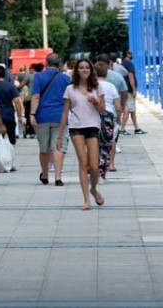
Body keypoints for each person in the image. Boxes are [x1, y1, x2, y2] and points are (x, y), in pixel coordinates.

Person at [57, 58, 106, 210]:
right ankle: (86, 200)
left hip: (92, 126)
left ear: (91, 70)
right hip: (76, 127)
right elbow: (65, 113)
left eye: (87, 67)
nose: (84, 70)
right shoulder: (70, 89)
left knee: (94, 164)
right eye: (81, 68)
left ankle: (93, 189)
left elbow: (103, 110)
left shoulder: (97, 88)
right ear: (76, 71)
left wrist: (96, 103)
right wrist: (60, 136)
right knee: (83, 163)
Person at [30, 54, 72, 186]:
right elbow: (70, 98)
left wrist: (32, 114)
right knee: (58, 147)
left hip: (42, 116)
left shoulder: (38, 76)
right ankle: (58, 177)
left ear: (46, 63)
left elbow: (36, 96)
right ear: (59, 64)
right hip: (60, 116)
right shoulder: (66, 78)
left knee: (44, 147)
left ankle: (45, 174)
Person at [0, 65, 24, 161]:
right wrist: (20, 116)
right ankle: (9, 160)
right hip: (9, 116)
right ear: (5, 75)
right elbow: (17, 101)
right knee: (10, 140)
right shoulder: (11, 87)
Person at [94, 62, 122, 172]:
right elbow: (118, 106)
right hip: (109, 116)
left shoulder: (92, 86)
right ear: (106, 73)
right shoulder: (111, 86)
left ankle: (95, 162)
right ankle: (111, 164)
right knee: (111, 140)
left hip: (95, 115)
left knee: (95, 140)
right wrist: (119, 117)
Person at [120, 50, 145, 135]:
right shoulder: (129, 64)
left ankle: (136, 128)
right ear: (127, 54)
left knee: (133, 110)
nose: (132, 55)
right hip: (129, 90)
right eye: (131, 53)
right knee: (128, 110)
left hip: (124, 89)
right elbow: (131, 77)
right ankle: (122, 129)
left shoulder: (122, 63)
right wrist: (134, 89)